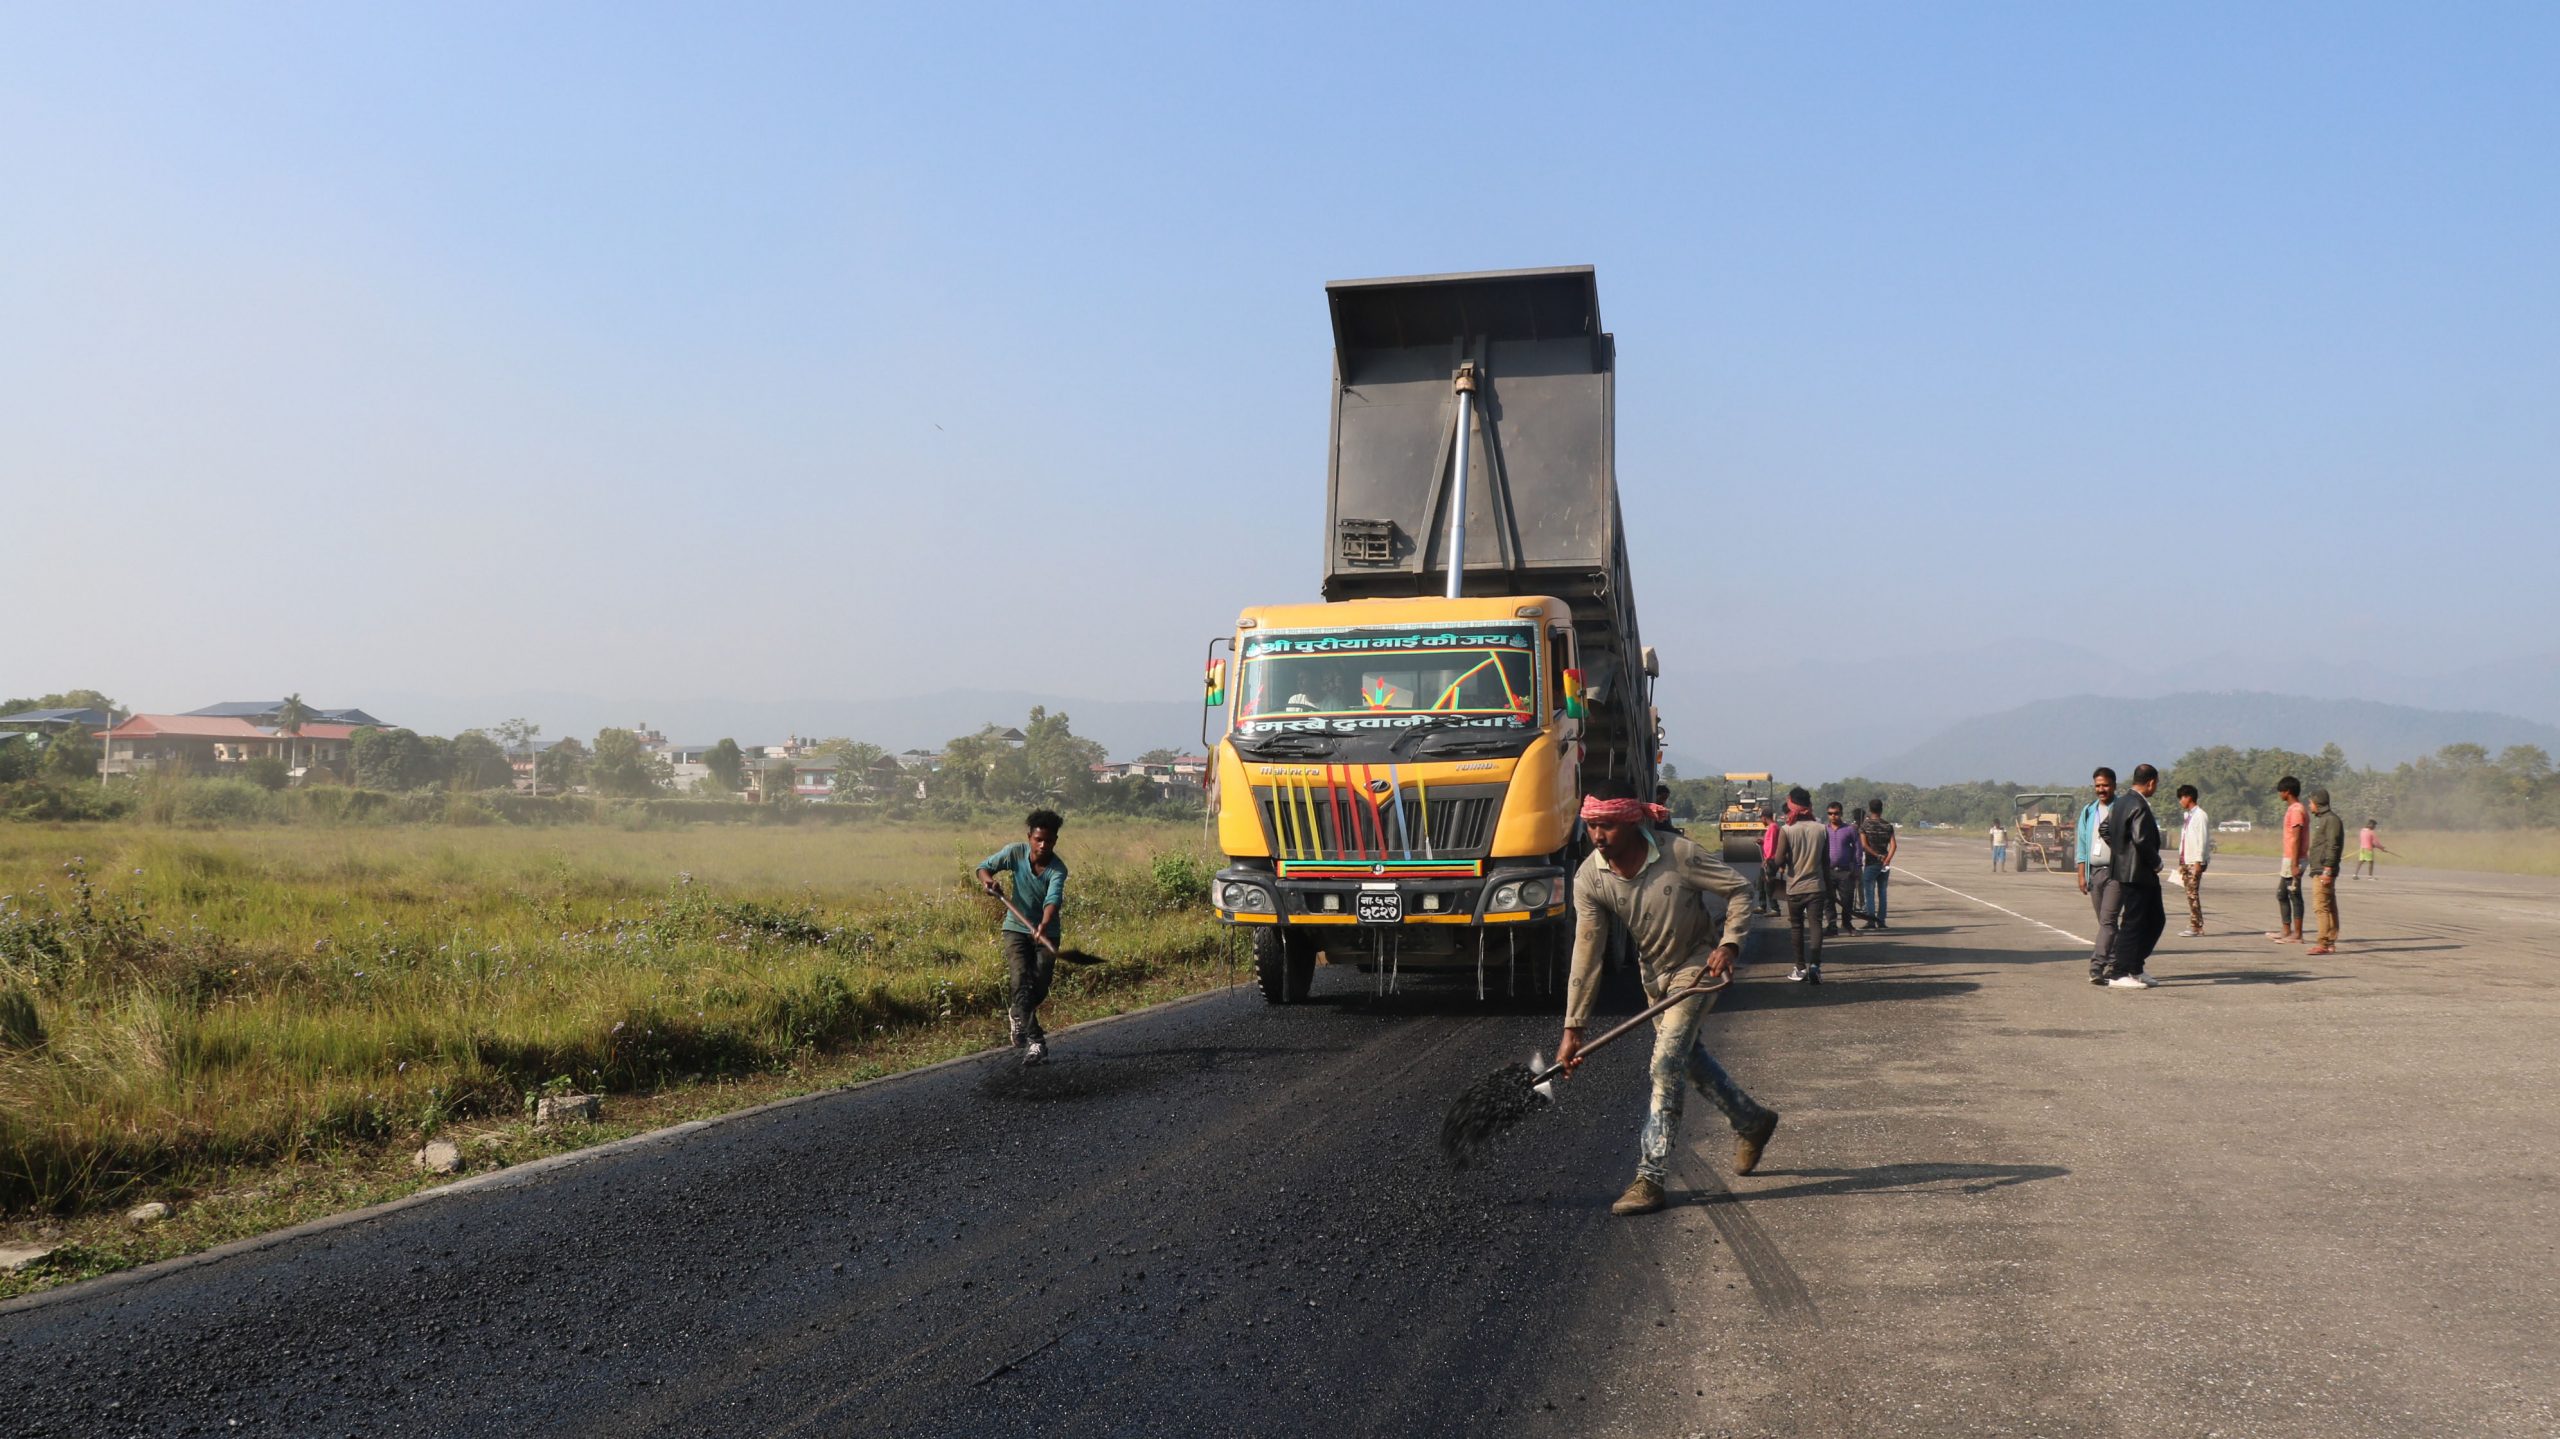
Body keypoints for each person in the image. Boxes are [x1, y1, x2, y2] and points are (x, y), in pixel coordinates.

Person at [1554, 788, 1776, 1216]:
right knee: (1688, 1058)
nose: (1598, 835)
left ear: (1633, 823)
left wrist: (1729, 945)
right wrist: (1573, 1030)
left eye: (1608, 826)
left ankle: (1650, 1177)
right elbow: (1587, 952)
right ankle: (1752, 1119)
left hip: (1697, 966)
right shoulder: (1590, 878)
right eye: (1592, 827)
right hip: (1654, 975)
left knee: (1665, 1064)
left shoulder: (1679, 855)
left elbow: (1739, 891)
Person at [975, 808, 1070, 1065]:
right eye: (1038, 839)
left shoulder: (1058, 870)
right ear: (1029, 837)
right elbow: (983, 868)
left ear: (1055, 841)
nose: (1042, 845)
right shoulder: (1015, 852)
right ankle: (1036, 1041)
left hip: (1046, 933)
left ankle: (1018, 1013)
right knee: (1020, 981)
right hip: (1016, 928)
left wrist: (1044, 923)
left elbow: (1053, 900)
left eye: (1048, 841)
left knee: (1038, 986)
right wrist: (989, 882)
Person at [2098, 764, 2168, 988]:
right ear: (2151, 782)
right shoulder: (2138, 804)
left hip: (2132, 871)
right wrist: (2156, 862)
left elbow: (2104, 829)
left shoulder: (2121, 803)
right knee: (2134, 923)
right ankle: (2119, 971)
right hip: (2138, 873)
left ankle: (2135, 966)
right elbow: (2140, 839)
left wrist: (2120, 851)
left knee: (2155, 919)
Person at [1774, 788, 1830, 983]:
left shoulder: (1787, 830)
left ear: (1791, 805)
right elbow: (1825, 862)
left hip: (1795, 888)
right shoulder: (1822, 829)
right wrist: (1829, 889)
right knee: (1816, 926)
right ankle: (1815, 966)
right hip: (1817, 887)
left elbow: (1778, 859)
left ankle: (1799, 968)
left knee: (1796, 927)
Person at [2076, 768, 2122, 983]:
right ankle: (2116, 963)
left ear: (2114, 785)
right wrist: (2081, 874)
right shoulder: (2088, 811)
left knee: (2108, 921)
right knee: (2106, 923)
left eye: (2105, 785)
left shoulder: (2123, 809)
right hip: (2095, 874)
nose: (2101, 790)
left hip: (2116, 873)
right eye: (2098, 786)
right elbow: (2082, 844)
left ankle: (2096, 966)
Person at [2305, 789, 2346, 954]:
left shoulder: (2331, 820)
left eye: (2310, 802)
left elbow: (2332, 845)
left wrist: (2327, 869)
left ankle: (2323, 942)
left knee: (2320, 906)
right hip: (2321, 868)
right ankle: (2329, 942)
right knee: (2328, 906)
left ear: (2317, 803)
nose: (2309, 805)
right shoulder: (2325, 820)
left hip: (2324, 870)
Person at [2268, 777, 2308, 944]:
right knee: (2282, 894)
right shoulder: (2292, 809)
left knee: (2294, 894)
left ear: (2287, 792)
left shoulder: (2297, 810)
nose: (2279, 794)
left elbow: (2297, 837)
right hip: (2289, 857)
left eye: (2281, 791)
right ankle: (2286, 929)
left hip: (2294, 859)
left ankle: (2297, 934)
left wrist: (2294, 863)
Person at [2174, 783, 2213, 937]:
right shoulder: (2188, 816)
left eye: (2181, 798)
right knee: (2190, 894)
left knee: (2192, 894)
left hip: (2194, 861)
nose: (2180, 801)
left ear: (2188, 797)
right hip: (2186, 860)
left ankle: (2196, 926)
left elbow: (2202, 840)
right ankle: (2196, 923)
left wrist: (2198, 861)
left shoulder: (2200, 816)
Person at [1857, 797, 1897, 930]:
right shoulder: (1887, 825)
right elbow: (1893, 846)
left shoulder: (1865, 826)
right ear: (1881, 809)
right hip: (1884, 864)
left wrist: (1876, 855)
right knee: (1882, 892)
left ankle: (1870, 920)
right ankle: (1881, 920)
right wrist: (1887, 859)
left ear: (1870, 809)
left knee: (1869, 892)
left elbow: (1864, 845)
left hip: (1871, 863)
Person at [1823, 800, 1862, 936]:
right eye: (1830, 813)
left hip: (1845, 871)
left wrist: (1858, 867)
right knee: (1828, 899)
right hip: (1828, 871)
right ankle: (1832, 925)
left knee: (1847, 899)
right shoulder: (1823, 830)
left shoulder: (1849, 830)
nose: (1833, 816)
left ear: (1841, 814)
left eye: (1836, 813)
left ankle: (1847, 923)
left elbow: (1858, 847)